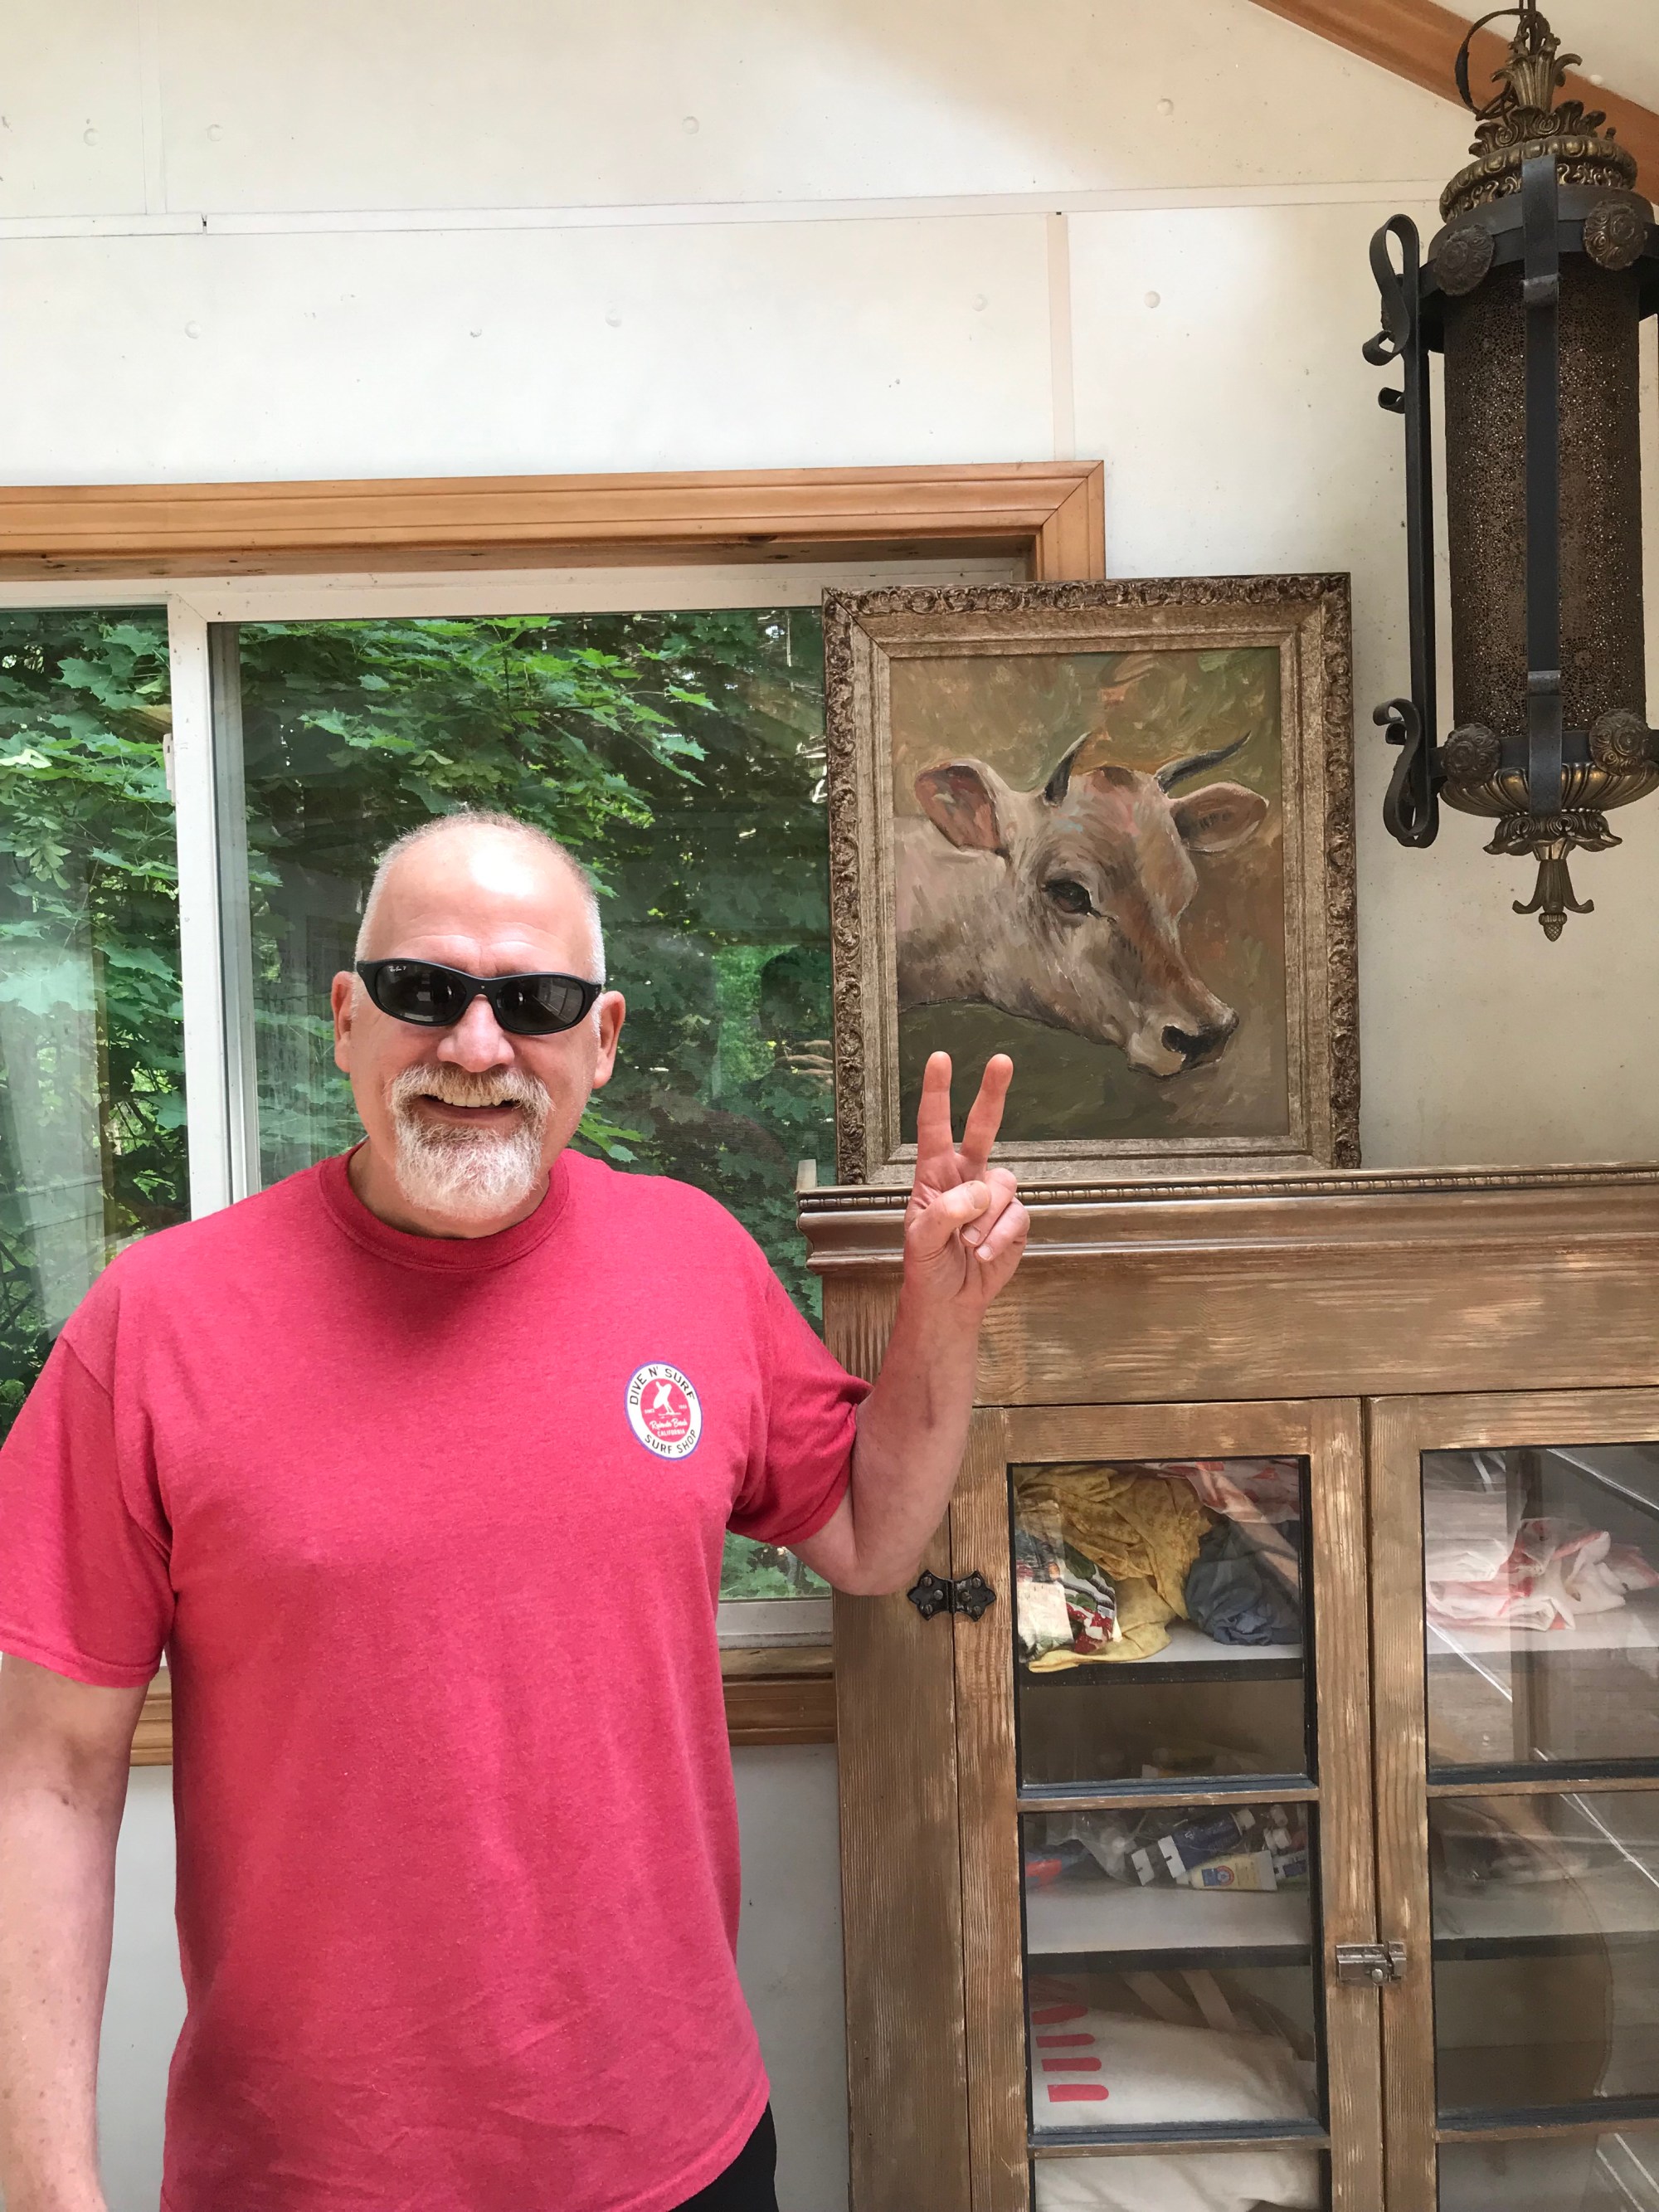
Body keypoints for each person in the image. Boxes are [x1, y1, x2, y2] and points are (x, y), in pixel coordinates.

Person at [0, 811, 1029, 2212]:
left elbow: (870, 1534)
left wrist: (943, 1321)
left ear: (601, 1041)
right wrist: (45, 2188)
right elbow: (48, 1777)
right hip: (307, 2178)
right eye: (424, 991)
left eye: (534, 1002)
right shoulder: (156, 1324)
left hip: (678, 2153)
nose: (477, 1045)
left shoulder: (693, 1258)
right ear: (348, 1018)